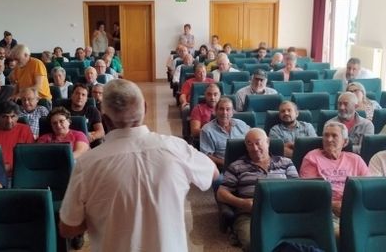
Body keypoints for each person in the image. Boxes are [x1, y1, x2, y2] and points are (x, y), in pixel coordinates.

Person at [58, 79, 218, 251]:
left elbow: (68, 228)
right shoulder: (175, 147)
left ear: (106, 120)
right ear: (145, 108)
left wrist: (99, 214)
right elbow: (213, 173)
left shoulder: (87, 164)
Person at [217, 128, 298, 251]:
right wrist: (242, 203)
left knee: (294, 242)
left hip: (282, 213)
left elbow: (298, 189)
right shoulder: (237, 166)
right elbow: (221, 193)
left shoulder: (286, 163)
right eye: (250, 144)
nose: (254, 148)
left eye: (258, 142)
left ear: (268, 142)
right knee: (254, 244)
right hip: (249, 215)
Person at [300, 121, 369, 233]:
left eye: (334, 136)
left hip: (355, 209)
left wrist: (351, 205)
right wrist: (331, 204)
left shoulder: (356, 160)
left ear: (345, 142)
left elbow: (367, 189)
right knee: (343, 233)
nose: (329, 139)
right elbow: (308, 191)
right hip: (325, 210)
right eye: (326, 135)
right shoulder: (312, 157)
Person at [0, 101, 34, 176]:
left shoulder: (25, 130)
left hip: (18, 174)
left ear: (18, 117)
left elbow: (30, 157)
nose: (9, 121)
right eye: (4, 117)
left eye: (13, 116)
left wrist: (11, 167)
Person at [200, 97, 250, 168]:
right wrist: (226, 163)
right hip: (223, 167)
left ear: (232, 112)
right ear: (216, 111)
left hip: (246, 164)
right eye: (221, 109)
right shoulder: (207, 130)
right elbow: (206, 155)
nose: (224, 112)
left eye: (228, 109)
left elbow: (253, 138)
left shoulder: (241, 124)